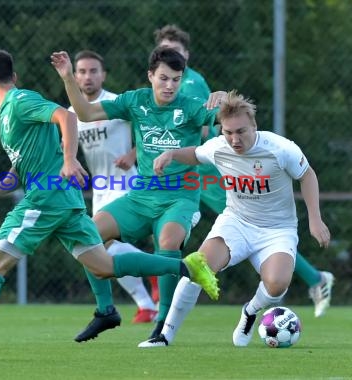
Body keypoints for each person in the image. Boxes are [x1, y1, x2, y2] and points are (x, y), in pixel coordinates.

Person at [0, 49, 219, 361]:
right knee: (104, 267)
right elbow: (20, 167)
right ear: (14, 76)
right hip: (66, 200)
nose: (169, 84)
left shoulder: (20, 101)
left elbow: (69, 115)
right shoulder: (8, 113)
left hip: (47, 200)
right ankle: (185, 267)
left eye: (175, 79)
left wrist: (69, 159)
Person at [154, 24, 334, 318]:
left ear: (187, 55)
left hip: (213, 168)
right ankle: (162, 312)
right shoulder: (165, 85)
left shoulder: (190, 83)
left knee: (246, 222)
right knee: (169, 231)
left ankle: (165, 310)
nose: (171, 57)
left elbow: (210, 121)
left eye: (176, 52)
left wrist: (220, 102)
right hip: (194, 163)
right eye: (165, 52)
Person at [51, 46, 222, 343]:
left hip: (180, 196)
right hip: (141, 195)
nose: (170, 85)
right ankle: (105, 310)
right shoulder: (135, 100)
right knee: (85, 233)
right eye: (164, 78)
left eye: (176, 79)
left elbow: (230, 122)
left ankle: (163, 325)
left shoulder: (192, 107)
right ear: (150, 76)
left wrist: (225, 99)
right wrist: (67, 77)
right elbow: (85, 112)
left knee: (167, 240)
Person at [138, 90, 331, 348]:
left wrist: (315, 220)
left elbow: (307, 175)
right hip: (236, 223)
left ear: (254, 126)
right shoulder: (219, 147)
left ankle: (250, 312)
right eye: (228, 132)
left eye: (241, 131)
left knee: (277, 284)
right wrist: (171, 154)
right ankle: (164, 336)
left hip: (277, 230)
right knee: (196, 268)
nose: (234, 139)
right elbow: (195, 154)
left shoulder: (279, 148)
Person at [72, 49, 158, 324]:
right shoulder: (73, 113)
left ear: (103, 75)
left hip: (126, 183)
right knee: (100, 251)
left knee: (98, 244)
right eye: (82, 71)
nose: (88, 76)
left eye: (93, 71)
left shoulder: (115, 103)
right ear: (74, 76)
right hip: (100, 188)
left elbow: (149, 127)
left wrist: (133, 154)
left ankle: (151, 283)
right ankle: (147, 301)